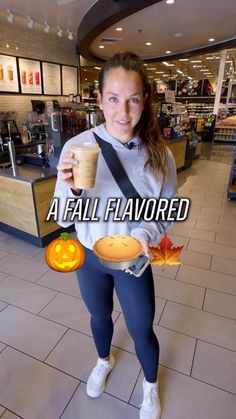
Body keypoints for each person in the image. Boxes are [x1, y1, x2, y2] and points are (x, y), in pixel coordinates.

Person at [55, 51, 177, 419]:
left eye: (133, 99)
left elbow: (166, 211)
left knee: (141, 328)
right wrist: (72, 191)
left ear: (145, 101)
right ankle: (103, 360)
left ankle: (150, 387)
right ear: (99, 99)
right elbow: (62, 218)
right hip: (90, 256)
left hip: (133, 259)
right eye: (113, 98)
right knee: (99, 316)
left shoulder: (159, 155)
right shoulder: (77, 147)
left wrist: (143, 231)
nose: (123, 111)